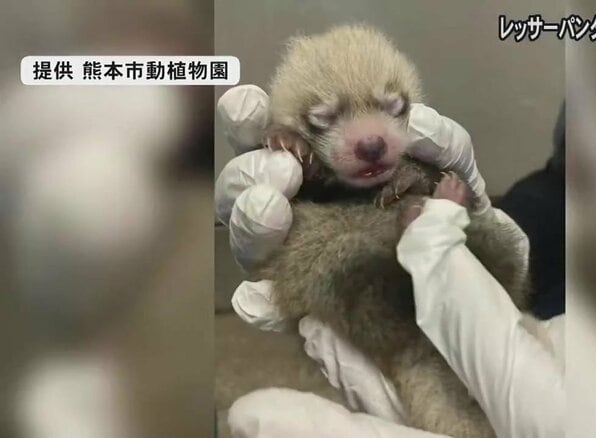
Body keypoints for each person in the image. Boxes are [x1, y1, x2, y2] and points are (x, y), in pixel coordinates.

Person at [215, 85, 565, 437]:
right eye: (324, 118)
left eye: (390, 106)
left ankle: (438, 245)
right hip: (374, 294)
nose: (370, 140)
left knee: (496, 267)